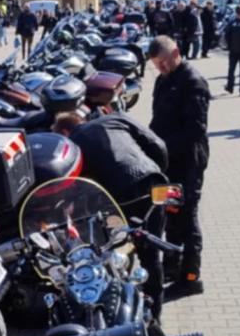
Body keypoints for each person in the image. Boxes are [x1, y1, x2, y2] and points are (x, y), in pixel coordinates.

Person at [54, 110, 171, 317]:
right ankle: (155, 316)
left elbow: (78, 187)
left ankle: (117, 309)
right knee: (151, 254)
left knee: (110, 251)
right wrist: (156, 170)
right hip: (154, 184)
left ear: (64, 132)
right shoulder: (116, 118)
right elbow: (158, 144)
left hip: (120, 198)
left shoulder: (73, 144)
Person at [147, 36, 210, 298]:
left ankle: (191, 277)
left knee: (187, 217)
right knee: (170, 212)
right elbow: (158, 119)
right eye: (156, 65)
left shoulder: (193, 82)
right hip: (167, 162)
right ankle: (171, 265)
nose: (160, 68)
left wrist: (162, 145)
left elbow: (195, 130)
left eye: (163, 63)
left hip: (188, 161)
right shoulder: (163, 80)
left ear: (176, 53)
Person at [224, 5, 240, 96]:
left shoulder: (232, 23)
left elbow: (226, 35)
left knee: (231, 69)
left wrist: (229, 46)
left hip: (233, 50)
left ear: (235, 12)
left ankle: (230, 87)